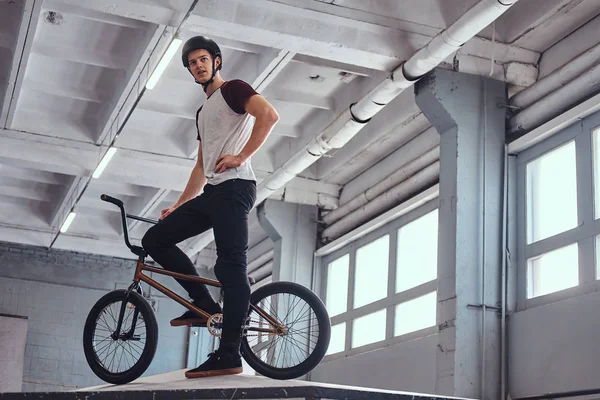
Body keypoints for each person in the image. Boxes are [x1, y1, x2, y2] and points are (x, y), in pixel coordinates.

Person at [141, 35, 279, 379]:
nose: (198, 65)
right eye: (192, 62)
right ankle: (203, 304)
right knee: (154, 240)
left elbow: (269, 115)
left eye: (203, 59)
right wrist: (178, 205)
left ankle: (229, 354)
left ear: (216, 61)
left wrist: (241, 156)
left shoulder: (234, 89)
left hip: (236, 188)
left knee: (229, 267)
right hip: (213, 193)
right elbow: (201, 166)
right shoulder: (203, 111)